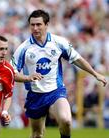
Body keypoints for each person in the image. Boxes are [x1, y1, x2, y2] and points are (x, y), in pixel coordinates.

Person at [11, 9, 107, 138]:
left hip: (55, 92)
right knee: (37, 134)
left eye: (38, 24)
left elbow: (77, 59)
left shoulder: (58, 42)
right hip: (35, 95)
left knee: (66, 120)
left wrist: (95, 74)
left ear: (46, 25)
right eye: (32, 25)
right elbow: (12, 73)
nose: (35, 28)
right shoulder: (24, 48)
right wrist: (28, 78)